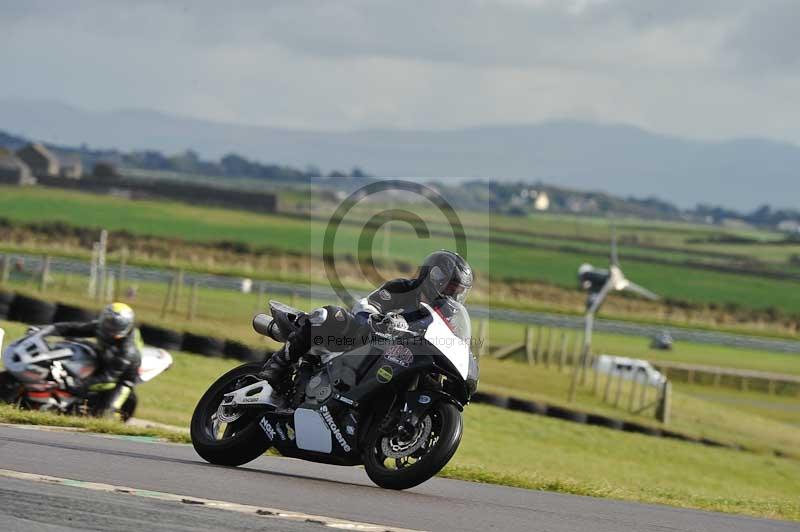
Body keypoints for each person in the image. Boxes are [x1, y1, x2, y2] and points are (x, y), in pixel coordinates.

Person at [258, 250, 473, 388]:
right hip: (366, 340)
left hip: (406, 356)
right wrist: (379, 319)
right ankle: (279, 363)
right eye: (451, 287)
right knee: (331, 314)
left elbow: (453, 342)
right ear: (434, 277)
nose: (454, 295)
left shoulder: (450, 316)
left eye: (459, 291)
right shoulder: (402, 289)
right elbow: (366, 305)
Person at [39, 302, 142, 417]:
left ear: (125, 327)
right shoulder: (103, 327)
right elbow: (71, 328)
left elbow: (108, 378)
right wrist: (42, 331)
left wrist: (78, 384)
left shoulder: (126, 352)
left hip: (120, 377)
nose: (110, 326)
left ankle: (105, 413)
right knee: (71, 342)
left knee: (104, 414)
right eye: (108, 321)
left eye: (116, 324)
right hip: (105, 355)